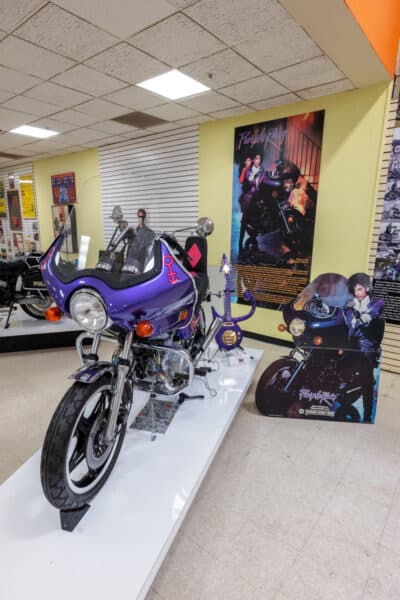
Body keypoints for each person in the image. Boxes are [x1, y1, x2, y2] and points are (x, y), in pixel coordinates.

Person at [344, 273, 384, 423]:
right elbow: (345, 319)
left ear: (367, 288)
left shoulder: (377, 303)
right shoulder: (350, 303)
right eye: (354, 290)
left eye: (359, 289)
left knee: (366, 381)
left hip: (366, 345)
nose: (357, 293)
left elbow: (371, 315)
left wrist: (359, 314)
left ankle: (367, 417)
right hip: (350, 343)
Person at [122, 208, 155, 274]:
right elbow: (129, 246)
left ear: (145, 218)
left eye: (142, 217)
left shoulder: (149, 232)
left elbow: (145, 250)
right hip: (129, 264)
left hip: (140, 265)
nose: (140, 219)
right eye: (139, 217)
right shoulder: (133, 232)